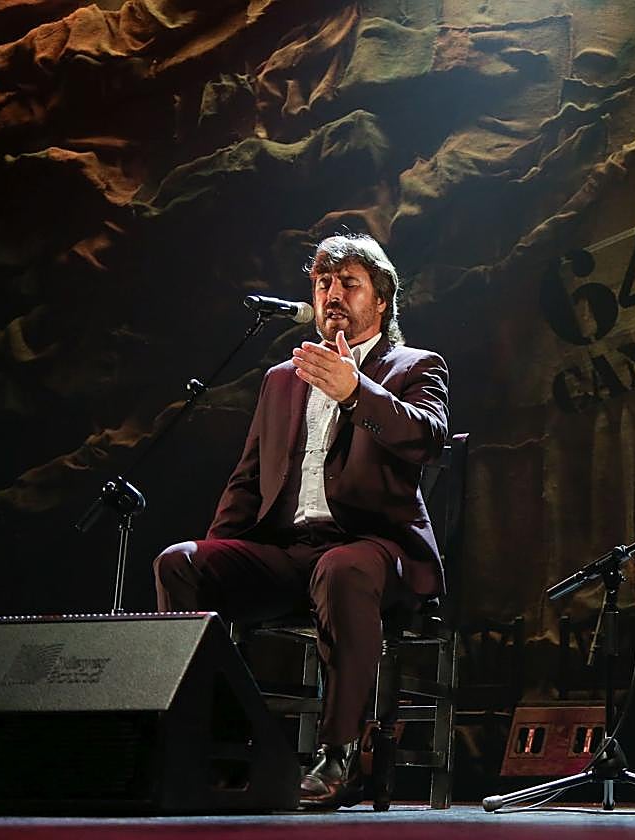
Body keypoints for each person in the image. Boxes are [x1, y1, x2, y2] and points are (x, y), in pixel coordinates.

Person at [154, 233, 449, 809]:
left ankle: (339, 755)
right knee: (180, 563)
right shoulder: (280, 380)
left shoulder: (415, 366)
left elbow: (429, 437)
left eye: (349, 283)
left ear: (382, 300)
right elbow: (246, 481)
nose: (332, 293)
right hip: (287, 552)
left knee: (341, 571)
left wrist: (355, 392)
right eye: (322, 283)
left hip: (371, 548)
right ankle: (223, 742)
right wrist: (221, 558)